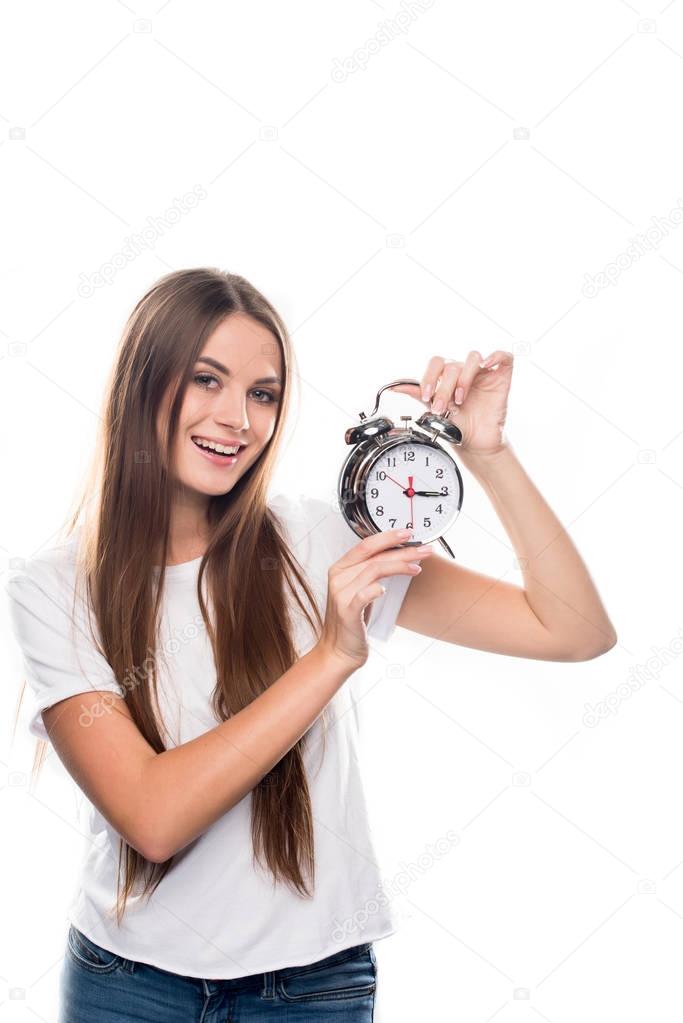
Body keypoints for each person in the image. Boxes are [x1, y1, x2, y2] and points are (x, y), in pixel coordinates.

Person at [4, 267, 617, 1021]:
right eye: (206, 380)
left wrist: (487, 452)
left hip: (309, 991)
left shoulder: (319, 537)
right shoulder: (53, 586)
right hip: (125, 987)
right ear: (142, 383)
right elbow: (152, 819)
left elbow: (573, 628)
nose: (237, 418)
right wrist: (329, 655)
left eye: (262, 393)